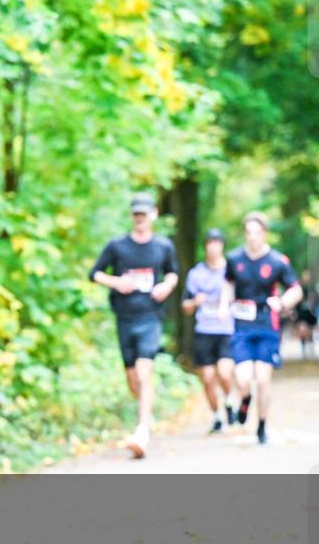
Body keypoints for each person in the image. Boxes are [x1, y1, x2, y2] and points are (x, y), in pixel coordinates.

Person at [90, 192, 179, 459]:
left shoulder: (163, 247)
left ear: (153, 215)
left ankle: (142, 431)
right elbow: (94, 273)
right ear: (132, 216)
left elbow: (173, 272)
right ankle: (147, 410)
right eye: (136, 214)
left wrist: (167, 285)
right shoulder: (117, 246)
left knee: (144, 372)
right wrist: (116, 282)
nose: (140, 218)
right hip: (124, 318)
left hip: (150, 317)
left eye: (144, 213)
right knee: (133, 380)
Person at [222, 212, 302, 445]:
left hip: (267, 323)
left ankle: (262, 426)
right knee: (243, 377)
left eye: (257, 233)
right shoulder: (234, 258)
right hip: (242, 325)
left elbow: (296, 289)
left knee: (264, 378)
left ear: (264, 233)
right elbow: (228, 283)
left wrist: (282, 302)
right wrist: (223, 305)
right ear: (245, 234)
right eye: (249, 233)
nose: (253, 237)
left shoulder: (277, 261)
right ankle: (245, 398)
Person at [181, 228, 235, 433]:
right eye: (209, 243)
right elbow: (184, 306)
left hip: (226, 329)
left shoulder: (231, 271)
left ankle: (230, 401)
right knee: (208, 377)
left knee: (224, 372)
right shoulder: (196, 274)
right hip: (203, 330)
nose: (213, 247)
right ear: (205, 246)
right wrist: (196, 302)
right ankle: (216, 416)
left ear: (222, 245)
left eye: (217, 243)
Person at [292, 270, 319, 359]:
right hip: (301, 315)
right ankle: (303, 351)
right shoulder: (300, 288)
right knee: (302, 332)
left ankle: (311, 350)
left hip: (311, 314)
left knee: (310, 332)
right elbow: (295, 302)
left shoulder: (313, 289)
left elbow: (318, 301)